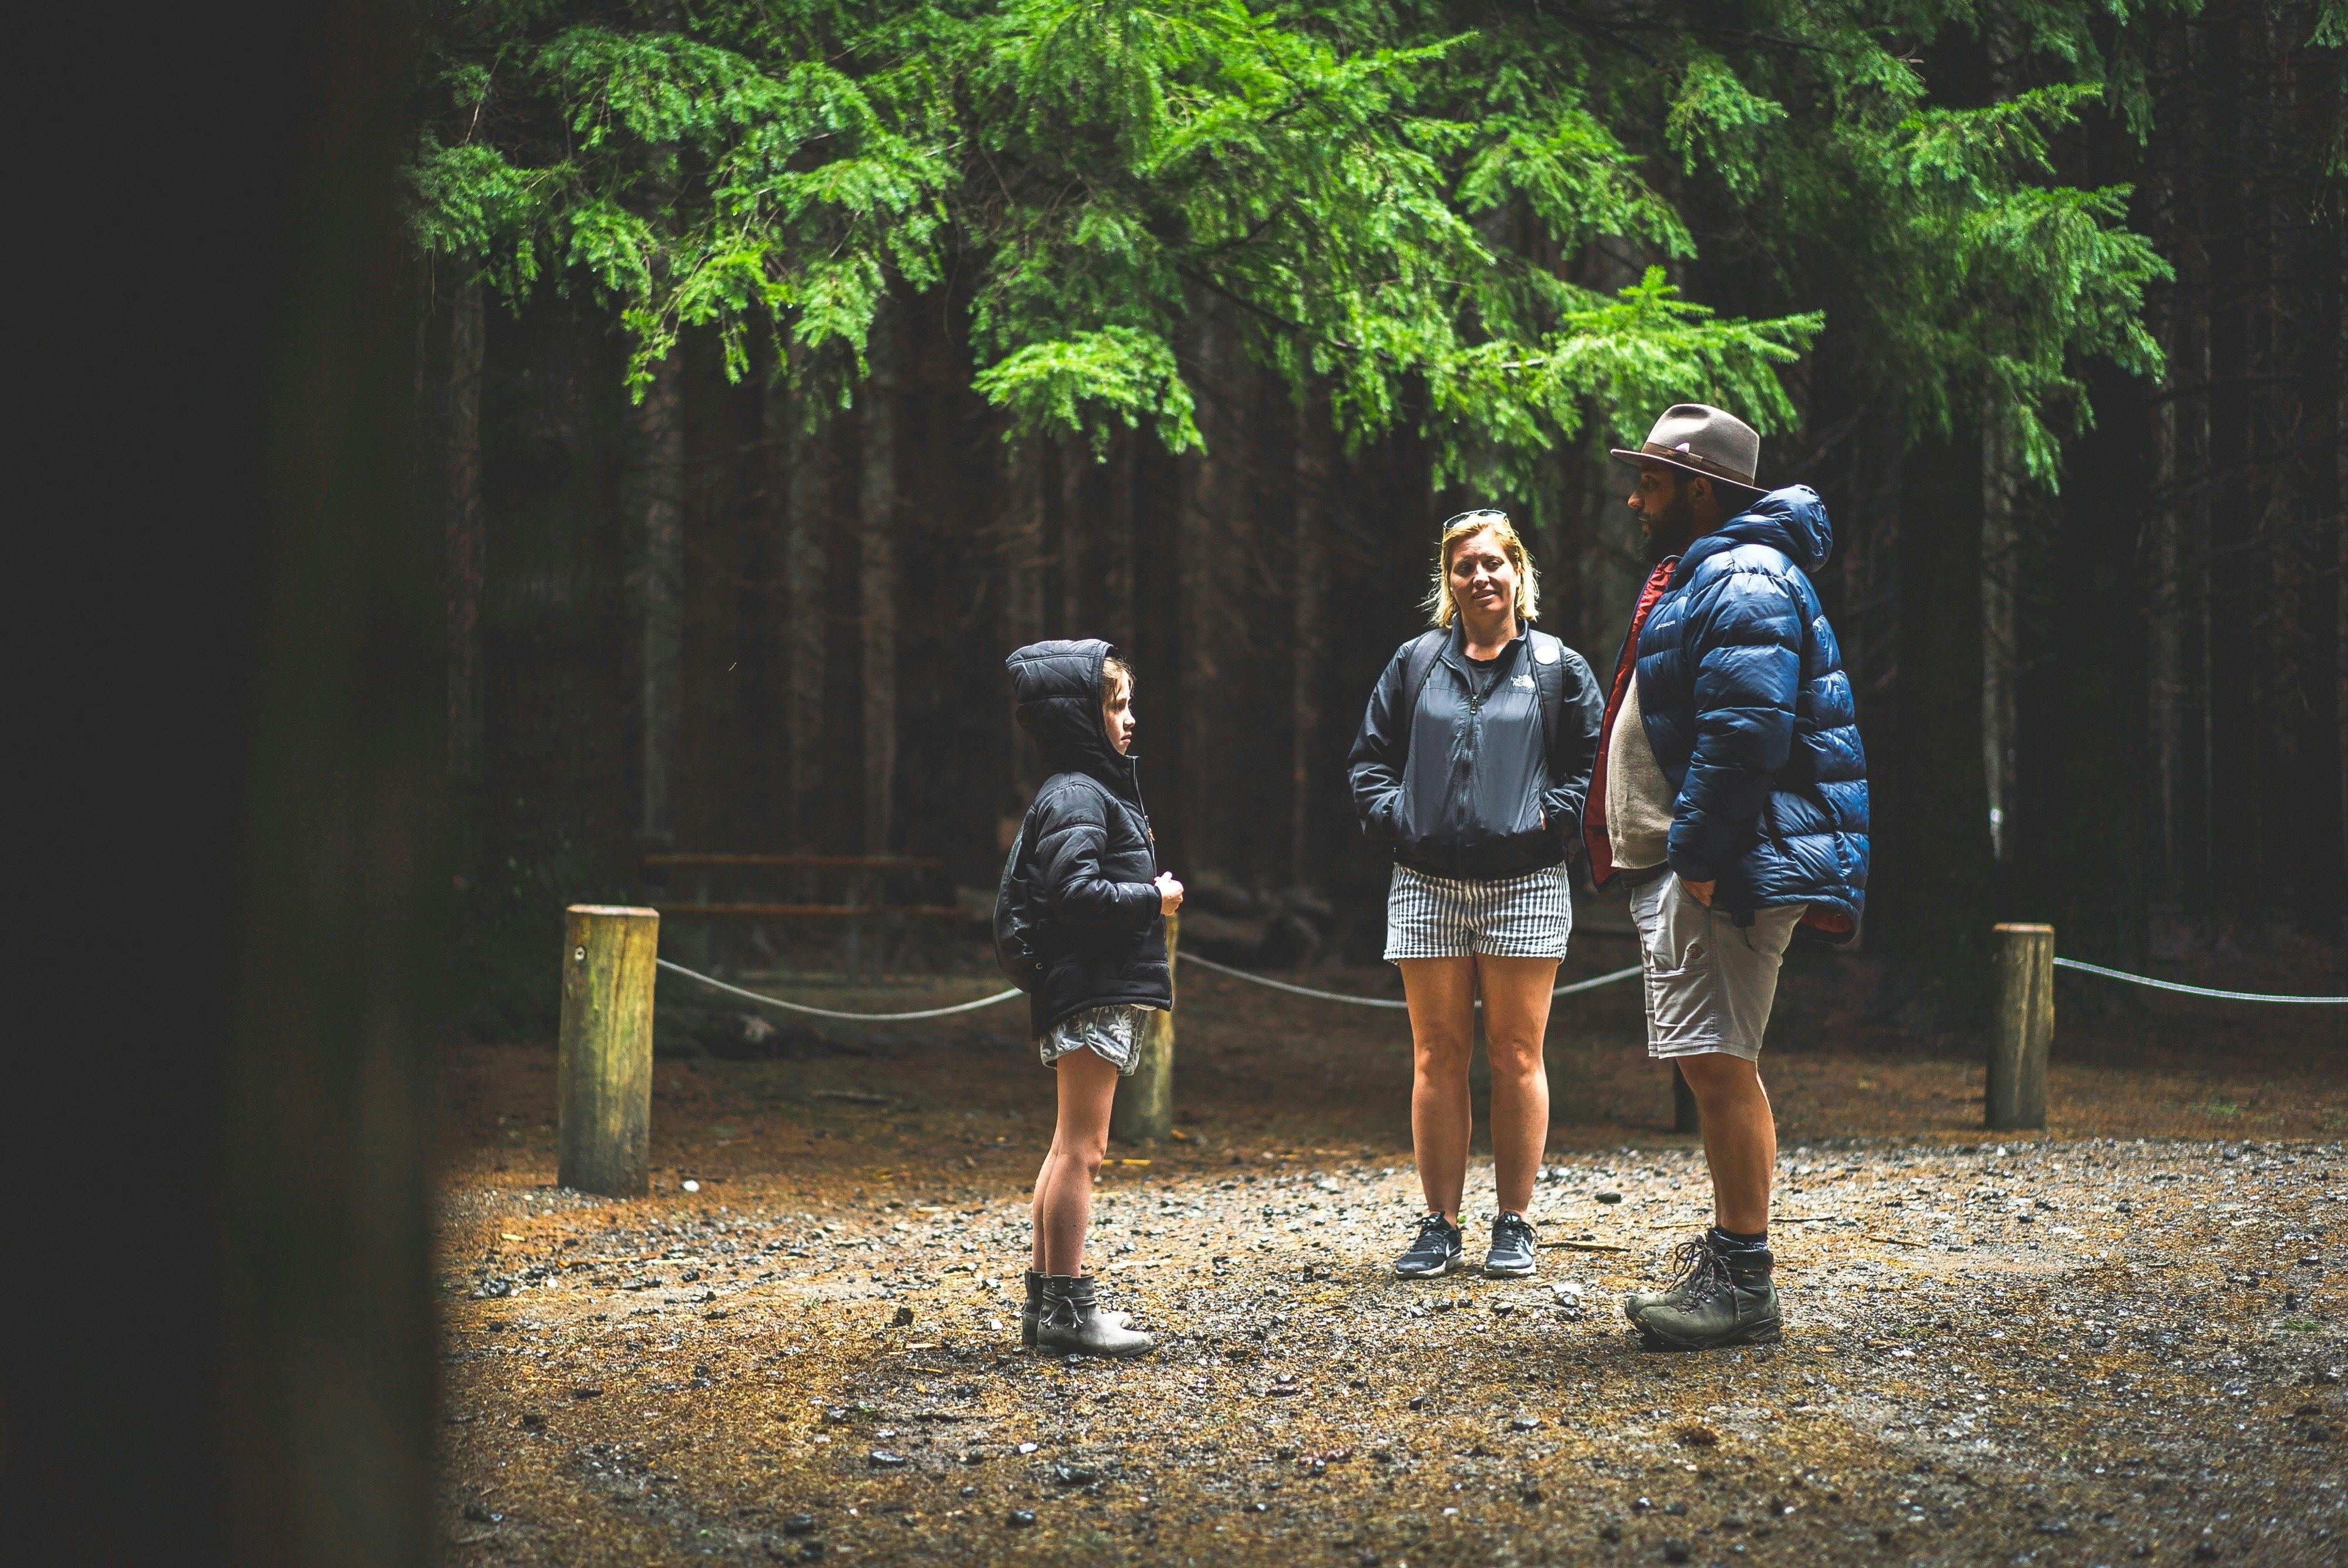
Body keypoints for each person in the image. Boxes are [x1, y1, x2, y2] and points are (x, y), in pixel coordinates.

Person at [1584, 404, 1868, 1350]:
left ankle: (1744, 1280)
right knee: (1714, 1063)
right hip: (1694, 863)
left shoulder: (1742, 573)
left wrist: (1701, 862)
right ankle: (1733, 1262)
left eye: (1652, 482)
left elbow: (1746, 732)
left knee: (1720, 1064)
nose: (1635, 498)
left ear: (1701, 488)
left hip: (1716, 868)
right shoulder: (1713, 569)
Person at [1349, 511, 1604, 1280]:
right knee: (1437, 1056)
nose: (1480, 578)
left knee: (1518, 1054)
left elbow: (1592, 767)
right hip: (1425, 882)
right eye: (1465, 567)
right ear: (1448, 580)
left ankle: (1516, 1221)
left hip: (1525, 884)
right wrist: (1401, 818)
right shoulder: (1416, 662)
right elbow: (1370, 761)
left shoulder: (1558, 668)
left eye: (1494, 563)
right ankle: (1439, 1223)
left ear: (1518, 573)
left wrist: (1548, 819)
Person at [1003, 638, 1182, 1358]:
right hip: (1090, 989)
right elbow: (1073, 893)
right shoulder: (1079, 792)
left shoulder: (1081, 788)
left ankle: (1048, 1304)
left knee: (1065, 1146)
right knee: (1085, 1149)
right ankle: (1070, 1311)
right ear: (1079, 716)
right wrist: (1154, 897)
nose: (1130, 718)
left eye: (1130, 702)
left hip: (1084, 987)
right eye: (1115, 705)